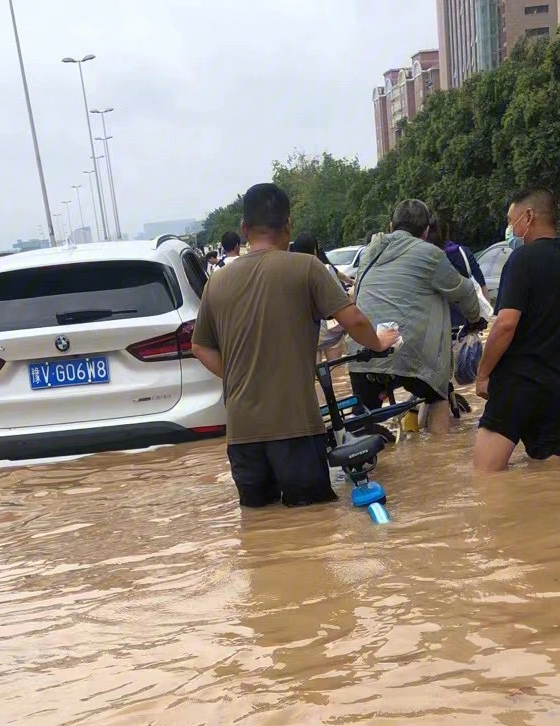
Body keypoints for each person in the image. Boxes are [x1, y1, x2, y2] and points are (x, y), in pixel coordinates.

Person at [191, 183, 399, 508]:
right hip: (296, 429)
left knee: (261, 530)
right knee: (314, 526)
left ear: (245, 229)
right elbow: (353, 319)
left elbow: (200, 347)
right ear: (288, 224)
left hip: (243, 437)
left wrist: (236, 377)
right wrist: (380, 342)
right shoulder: (306, 267)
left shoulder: (217, 282)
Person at [472, 187, 560, 472]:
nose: (510, 229)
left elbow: (506, 324)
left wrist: (483, 374)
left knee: (484, 477)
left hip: (518, 383)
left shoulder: (521, 260)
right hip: (558, 386)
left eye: (512, 221)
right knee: (547, 472)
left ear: (529, 216)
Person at [348, 199, 493, 435]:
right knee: (437, 394)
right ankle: (438, 458)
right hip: (407, 352)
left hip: (362, 351)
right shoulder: (430, 253)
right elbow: (464, 291)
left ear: (390, 225)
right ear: (426, 231)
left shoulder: (369, 252)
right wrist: (475, 319)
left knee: (364, 416)